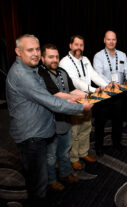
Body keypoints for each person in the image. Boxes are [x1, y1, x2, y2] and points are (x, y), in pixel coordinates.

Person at [6, 34, 93, 206]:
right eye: (30, 50)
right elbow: (52, 101)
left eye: (37, 49)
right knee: (39, 182)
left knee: (40, 175)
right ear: (18, 52)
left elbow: (53, 96)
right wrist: (80, 107)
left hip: (39, 129)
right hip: (31, 136)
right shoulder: (23, 75)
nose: (35, 54)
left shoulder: (30, 69)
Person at [38, 43, 88, 191]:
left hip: (65, 118)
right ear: (42, 58)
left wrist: (89, 96)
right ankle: (52, 180)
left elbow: (72, 90)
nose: (54, 59)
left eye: (57, 57)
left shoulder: (62, 71)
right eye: (50, 57)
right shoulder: (41, 74)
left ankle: (66, 173)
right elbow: (56, 95)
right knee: (51, 156)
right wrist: (80, 101)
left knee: (65, 150)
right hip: (49, 122)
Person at [59, 35, 109, 170]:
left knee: (86, 126)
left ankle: (83, 152)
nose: (79, 48)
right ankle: (74, 157)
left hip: (87, 98)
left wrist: (106, 86)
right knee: (75, 129)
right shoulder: (64, 62)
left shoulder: (85, 59)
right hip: (74, 98)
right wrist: (94, 90)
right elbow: (75, 82)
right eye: (76, 45)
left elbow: (94, 75)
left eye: (81, 45)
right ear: (70, 46)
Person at [93, 30, 127, 154]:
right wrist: (110, 83)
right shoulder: (98, 56)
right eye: (108, 39)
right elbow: (97, 74)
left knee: (118, 120)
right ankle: (99, 146)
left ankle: (117, 143)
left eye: (113, 39)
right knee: (100, 122)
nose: (111, 42)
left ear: (116, 41)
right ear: (104, 40)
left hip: (119, 93)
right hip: (104, 93)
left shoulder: (122, 55)